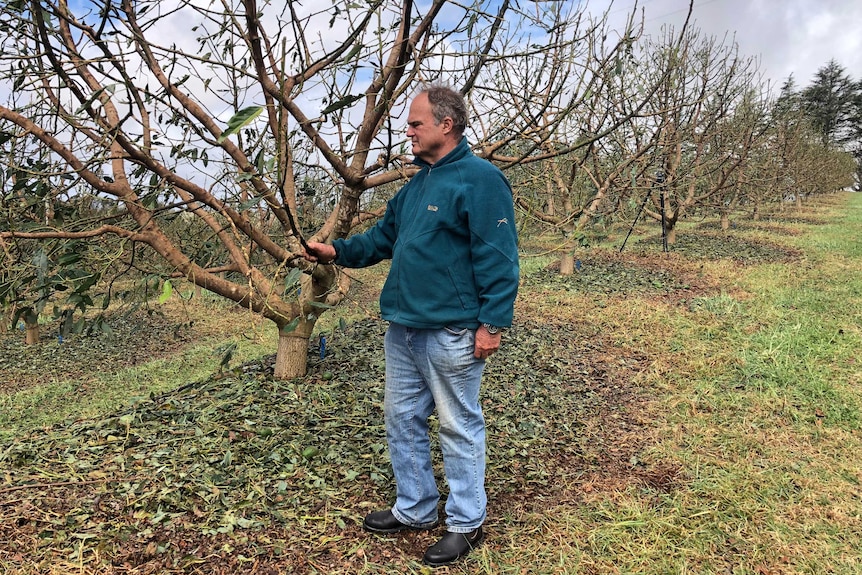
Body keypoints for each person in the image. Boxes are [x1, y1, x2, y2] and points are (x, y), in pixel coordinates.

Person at [303, 84, 519, 567]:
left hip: (453, 330)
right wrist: (336, 251)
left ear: (447, 124)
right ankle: (416, 508)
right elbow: (383, 239)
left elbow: (499, 256)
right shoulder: (415, 186)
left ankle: (466, 522)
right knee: (401, 418)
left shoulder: (480, 180)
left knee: (458, 425)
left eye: (416, 123)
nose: (408, 130)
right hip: (403, 328)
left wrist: (492, 323)